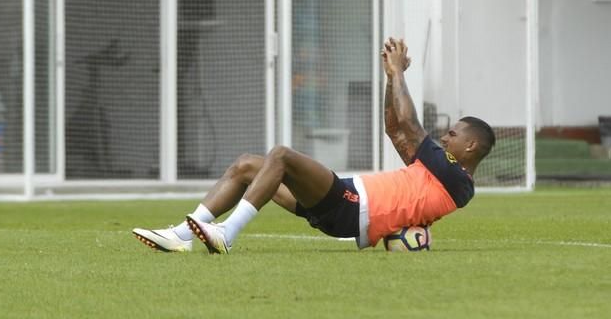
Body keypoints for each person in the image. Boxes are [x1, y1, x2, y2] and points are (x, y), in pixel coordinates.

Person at [133, 38, 495, 254]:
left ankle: (227, 234)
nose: (446, 136)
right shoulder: (434, 171)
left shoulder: (455, 178)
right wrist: (390, 79)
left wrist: (400, 71)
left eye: (454, 135)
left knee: (283, 156)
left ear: (471, 145)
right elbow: (395, 130)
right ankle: (182, 234)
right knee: (247, 165)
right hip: (342, 205)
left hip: (352, 208)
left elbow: (412, 127)